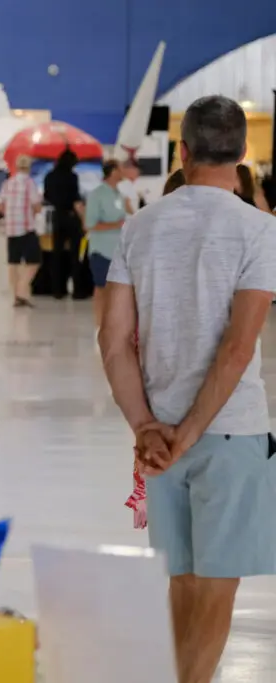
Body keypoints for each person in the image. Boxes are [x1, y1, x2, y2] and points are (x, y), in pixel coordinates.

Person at [99, 95, 276, 683]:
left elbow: (114, 338)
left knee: (182, 581)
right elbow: (238, 348)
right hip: (229, 432)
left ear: (182, 149)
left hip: (158, 438)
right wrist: (190, 433)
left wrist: (147, 428)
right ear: (244, 150)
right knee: (217, 588)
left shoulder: (140, 224)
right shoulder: (259, 230)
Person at [84, 160, 127, 328]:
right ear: (113, 171)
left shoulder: (118, 194)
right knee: (101, 287)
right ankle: (99, 324)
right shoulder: (97, 194)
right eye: (120, 168)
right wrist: (116, 225)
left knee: (115, 289)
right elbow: (90, 224)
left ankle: (112, 323)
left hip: (117, 250)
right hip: (101, 250)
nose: (123, 171)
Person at [0, 155, 42, 308]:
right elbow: (36, 206)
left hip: (10, 227)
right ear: (29, 167)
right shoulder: (30, 183)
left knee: (13, 262)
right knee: (34, 261)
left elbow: (0, 207)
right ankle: (22, 289)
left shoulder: (7, 183)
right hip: (26, 226)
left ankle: (16, 296)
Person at [43, 149, 84, 299]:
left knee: (57, 254)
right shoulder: (72, 176)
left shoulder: (49, 176)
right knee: (75, 254)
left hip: (57, 217)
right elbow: (76, 199)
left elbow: (47, 197)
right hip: (71, 217)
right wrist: (83, 218)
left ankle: (57, 290)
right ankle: (77, 290)